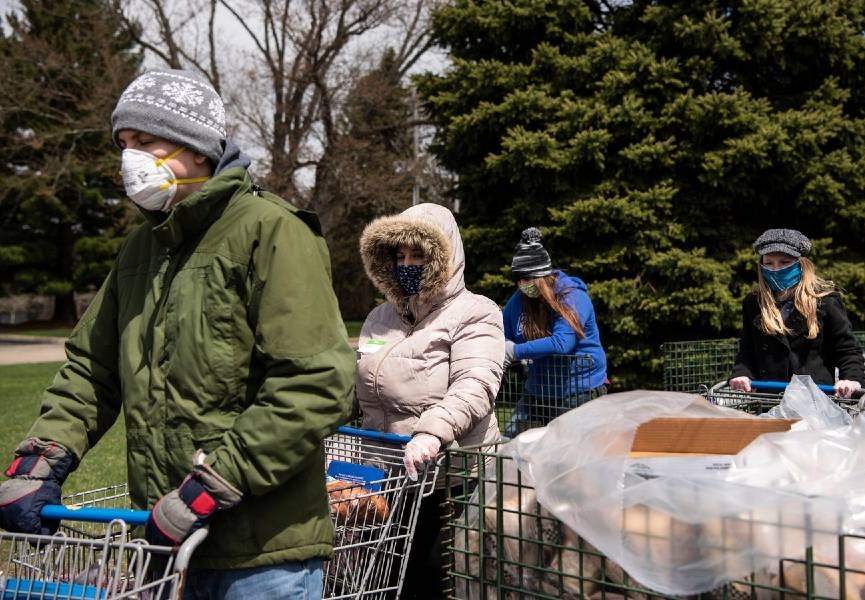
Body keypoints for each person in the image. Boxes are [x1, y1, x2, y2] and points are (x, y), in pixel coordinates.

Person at [0, 69, 355, 598]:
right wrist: (41, 458)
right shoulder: (141, 250)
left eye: (145, 141)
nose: (129, 158)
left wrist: (208, 488)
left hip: (261, 557)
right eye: (123, 144)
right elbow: (91, 369)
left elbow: (316, 380)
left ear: (197, 148)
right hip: (164, 548)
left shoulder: (271, 230)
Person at [354, 203, 504, 599]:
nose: (406, 264)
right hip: (387, 472)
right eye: (399, 256)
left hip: (449, 475)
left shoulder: (476, 313)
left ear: (442, 257)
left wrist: (431, 433)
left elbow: (475, 383)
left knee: (438, 579)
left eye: (417, 255)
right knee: (383, 577)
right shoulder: (378, 318)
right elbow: (360, 382)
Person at [729, 228, 864, 397]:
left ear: (802, 264)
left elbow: (847, 350)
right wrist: (742, 374)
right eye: (769, 263)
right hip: (769, 400)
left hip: (816, 401)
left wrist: (851, 379)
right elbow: (747, 350)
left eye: (784, 262)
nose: (776, 269)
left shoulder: (825, 302)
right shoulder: (754, 303)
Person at [502, 227, 608, 437]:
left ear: (544, 276)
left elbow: (562, 343)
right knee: (513, 447)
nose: (524, 285)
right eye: (520, 279)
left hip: (579, 390)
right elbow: (504, 332)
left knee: (567, 458)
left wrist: (515, 351)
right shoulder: (518, 301)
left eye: (530, 278)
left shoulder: (572, 296)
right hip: (538, 390)